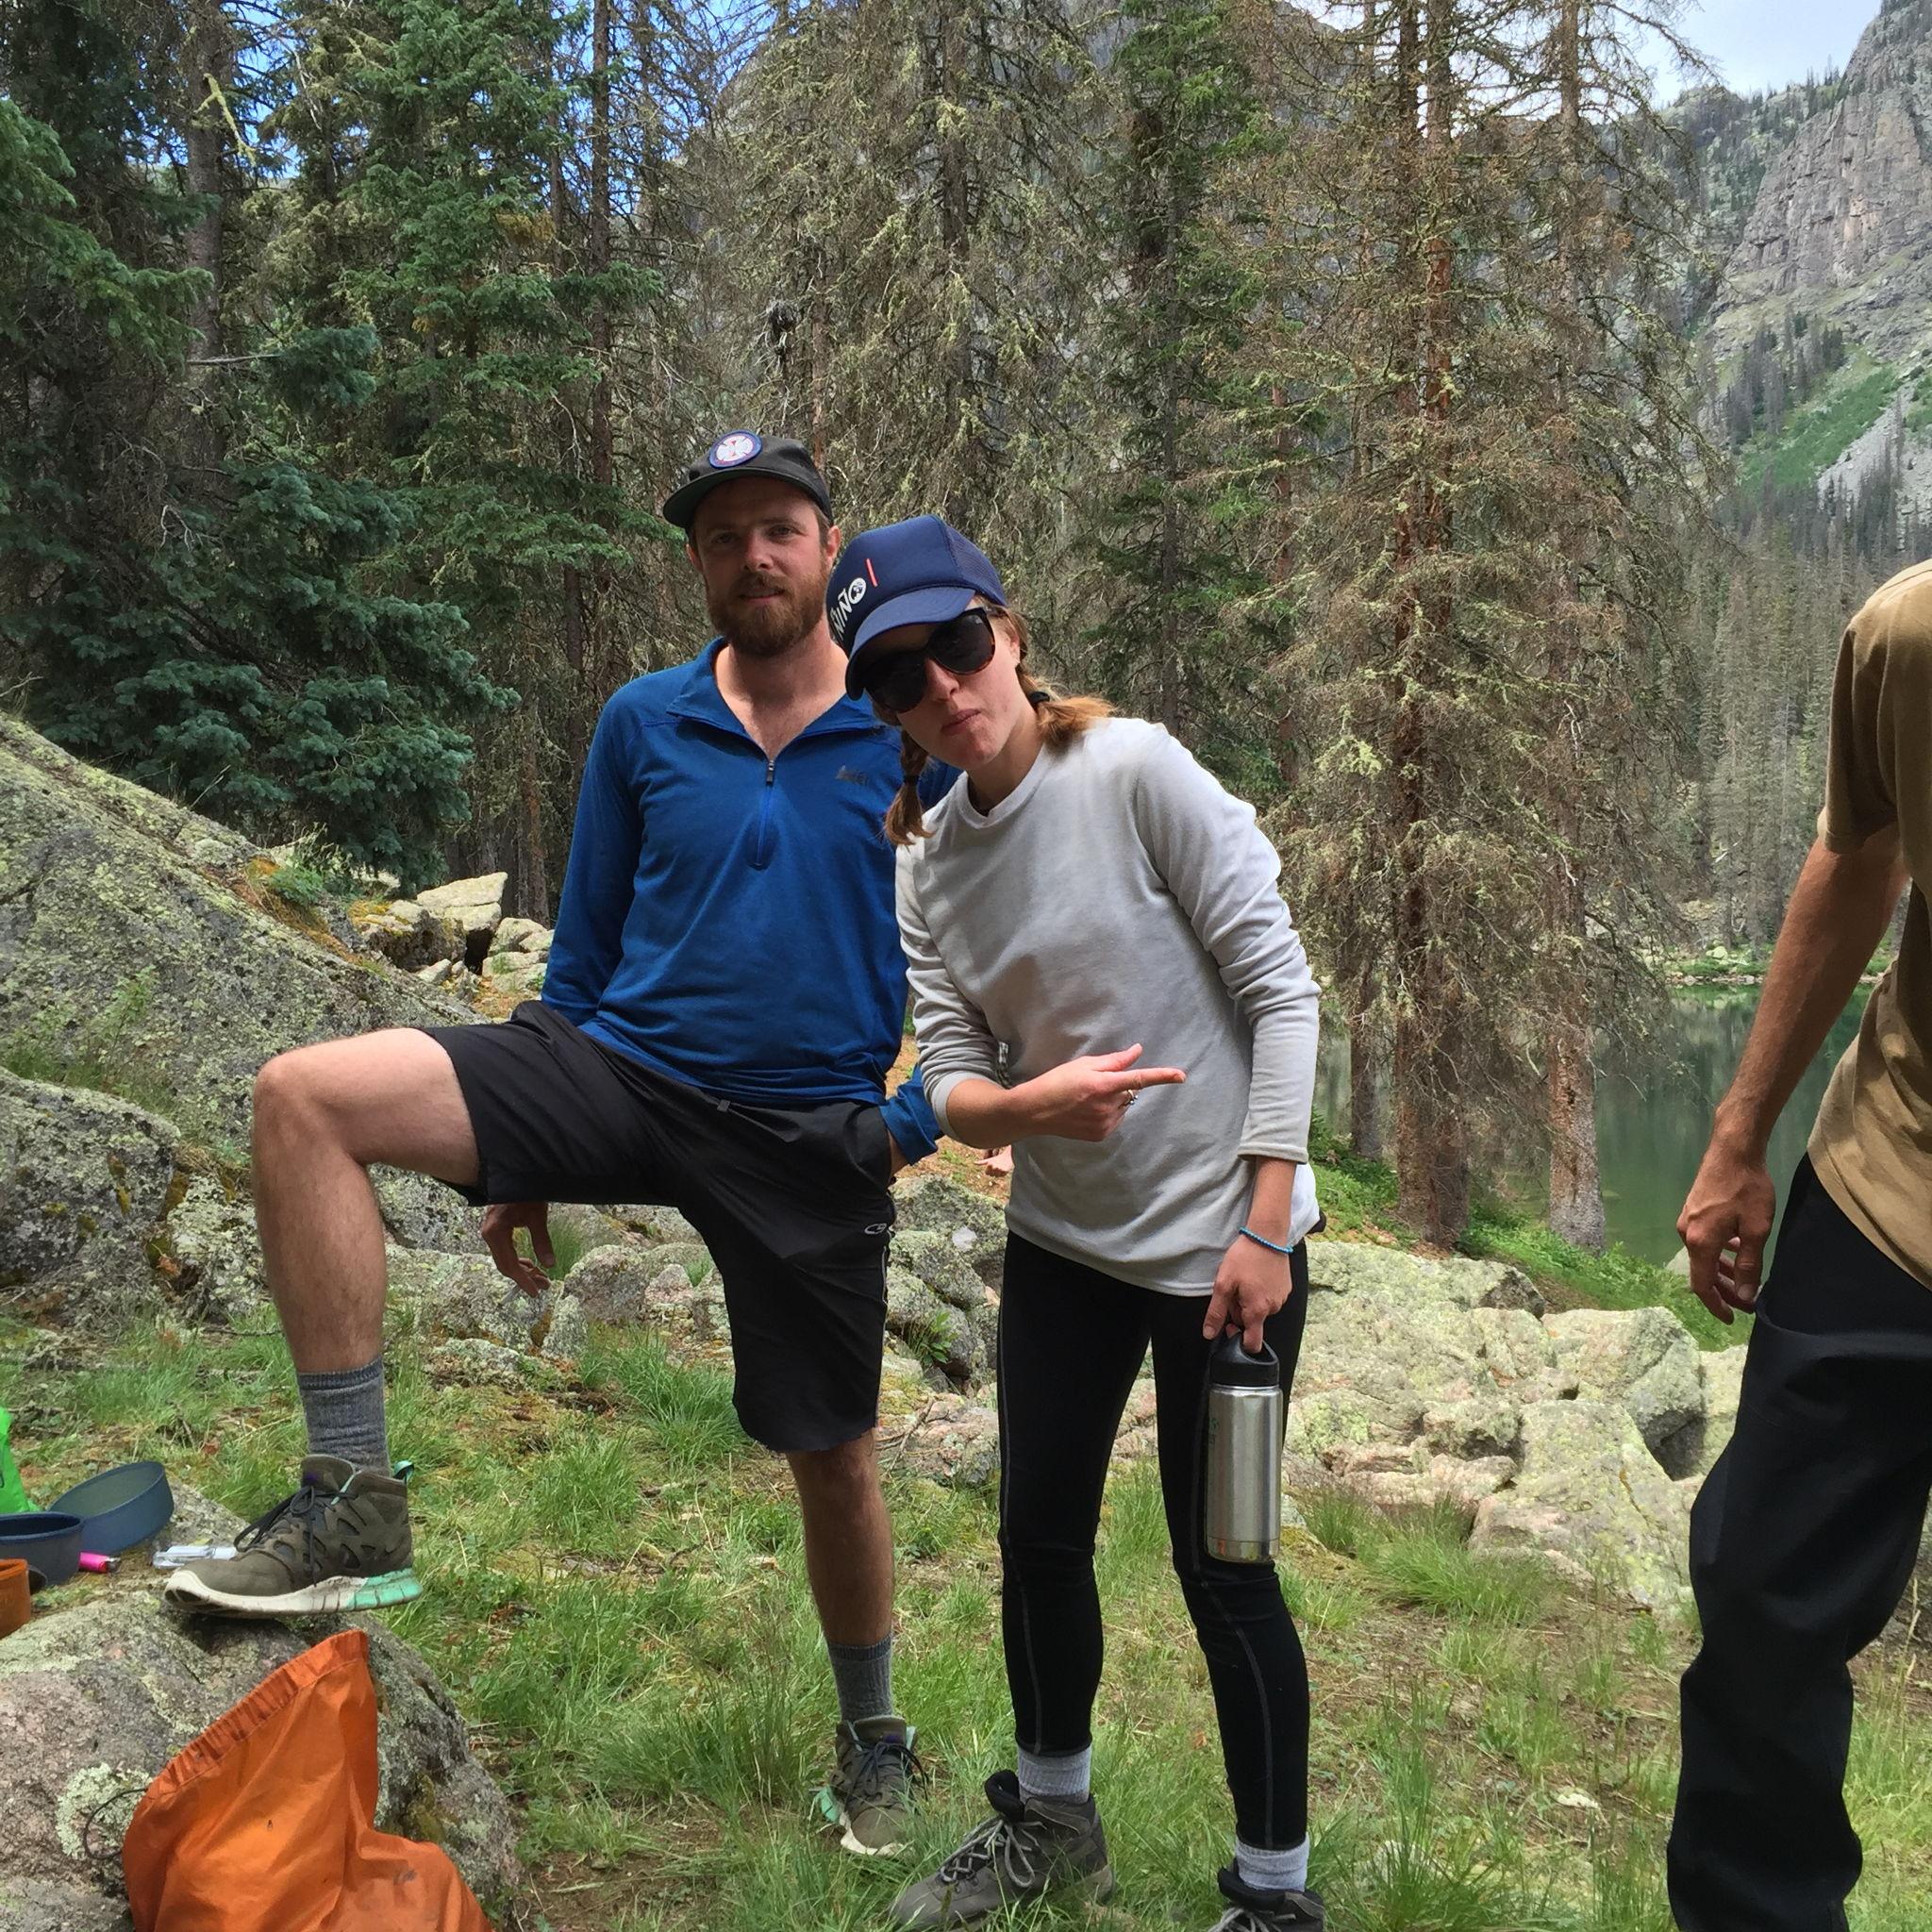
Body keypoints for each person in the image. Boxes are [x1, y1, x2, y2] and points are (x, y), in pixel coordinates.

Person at [163, 433, 954, 1857]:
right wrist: (522, 1151)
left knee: (834, 1453)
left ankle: (874, 1736)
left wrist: (898, 1127)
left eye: (779, 529)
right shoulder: (643, 720)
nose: (754, 557)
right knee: (303, 1096)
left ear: (827, 548)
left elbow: (982, 950)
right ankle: (349, 1502)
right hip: (618, 1071)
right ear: (697, 564)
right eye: (723, 537)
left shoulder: (907, 727)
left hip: (803, 1128)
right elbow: (584, 951)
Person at [829, 516, 1327, 1932]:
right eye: (902, 677)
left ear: (1009, 630)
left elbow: (1283, 991)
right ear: (886, 708)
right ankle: (1053, 1822)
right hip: (1063, 1249)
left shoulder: (1131, 771)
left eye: (957, 644)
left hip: (1226, 1255)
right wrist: (1023, 1107)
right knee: (1038, 1537)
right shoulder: (927, 863)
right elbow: (949, 1072)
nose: (944, 688)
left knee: (1225, 1570)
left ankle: (1275, 1898)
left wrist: (1267, 1229)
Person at [1670, 559, 1932, 1932]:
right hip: (1895, 1180)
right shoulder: (1912, 634)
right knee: (1763, 1594)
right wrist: (1739, 1135)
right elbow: (1858, 852)